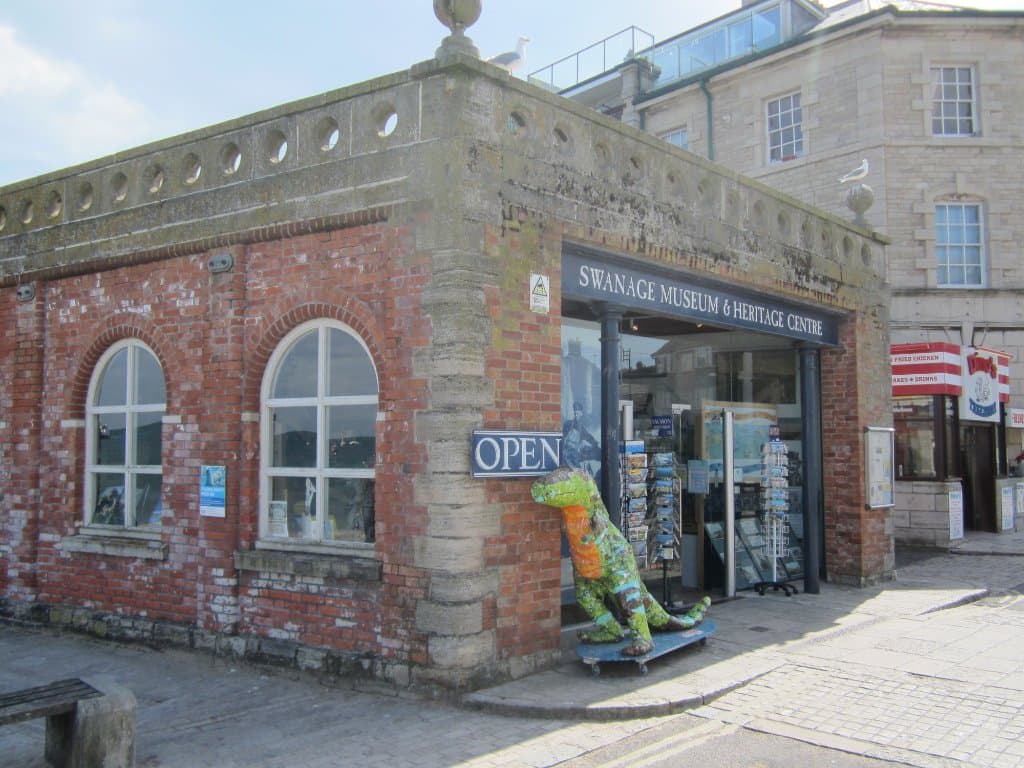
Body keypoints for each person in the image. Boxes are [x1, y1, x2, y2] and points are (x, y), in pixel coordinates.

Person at [562, 402, 599, 469]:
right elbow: (563, 438)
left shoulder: (582, 429)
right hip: (566, 453)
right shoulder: (568, 424)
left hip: (574, 454)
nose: (576, 415)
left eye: (578, 413)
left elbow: (590, 438)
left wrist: (594, 443)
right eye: (575, 413)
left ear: (581, 414)